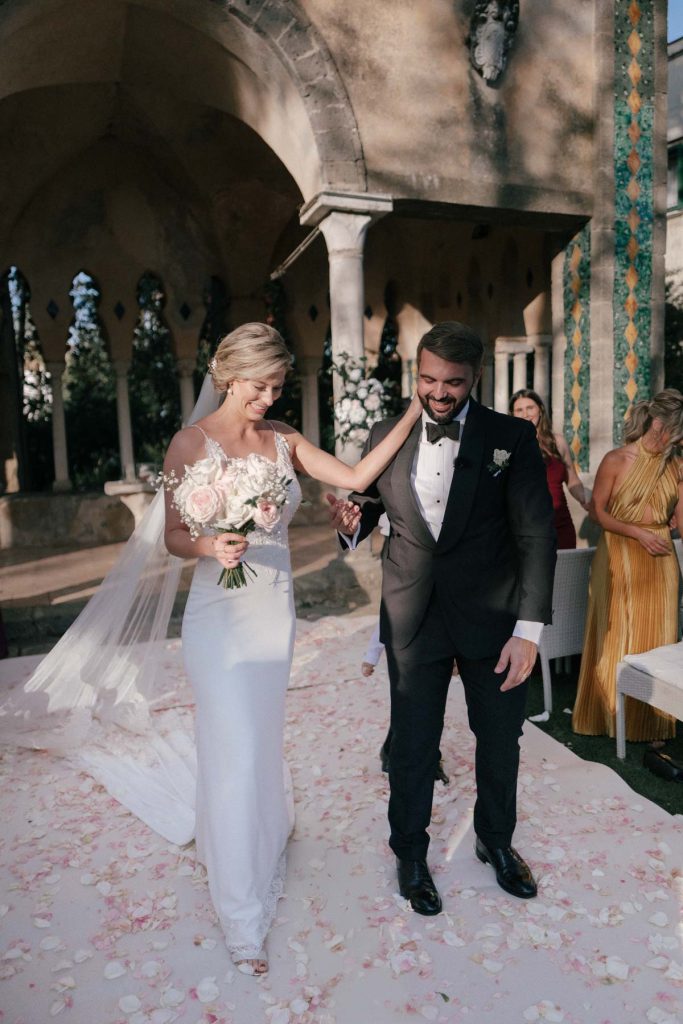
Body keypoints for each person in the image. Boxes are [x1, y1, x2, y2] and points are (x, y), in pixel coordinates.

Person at [162, 323, 422, 975]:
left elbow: (359, 473)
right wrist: (206, 545)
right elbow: (171, 533)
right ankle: (240, 913)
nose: (269, 396)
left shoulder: (283, 440)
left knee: (259, 738)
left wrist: (415, 407)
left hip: (271, 612)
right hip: (217, 617)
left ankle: (257, 835)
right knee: (236, 747)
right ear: (227, 377)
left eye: (278, 385)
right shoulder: (189, 443)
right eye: (259, 385)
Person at [329, 321, 556, 914]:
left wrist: (528, 632)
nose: (438, 391)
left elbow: (535, 535)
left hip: (494, 617)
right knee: (412, 746)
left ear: (474, 377)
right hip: (414, 616)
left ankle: (495, 842)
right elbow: (367, 511)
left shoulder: (511, 436)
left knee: (500, 740)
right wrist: (350, 526)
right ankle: (409, 854)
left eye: (452, 382)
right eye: (428, 378)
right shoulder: (388, 433)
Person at [572, 389, 683, 742]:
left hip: (661, 559)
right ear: (657, 423)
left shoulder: (677, 464)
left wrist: (666, 529)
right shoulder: (616, 460)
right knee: (619, 633)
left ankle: (653, 723)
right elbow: (599, 512)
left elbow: (679, 519)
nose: (678, 439)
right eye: (676, 431)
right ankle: (613, 715)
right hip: (620, 554)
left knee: (659, 636)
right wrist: (637, 532)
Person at [509, 389, 589, 548]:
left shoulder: (557, 442)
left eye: (530, 408)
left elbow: (573, 481)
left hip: (560, 526)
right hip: (524, 530)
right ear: (512, 415)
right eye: (519, 410)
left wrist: (588, 498)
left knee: (564, 573)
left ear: (540, 409)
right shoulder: (505, 446)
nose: (526, 413)